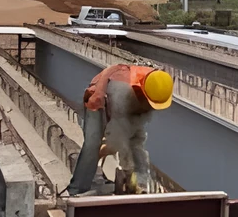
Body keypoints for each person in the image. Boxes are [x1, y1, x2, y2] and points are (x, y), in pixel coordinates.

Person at [69, 61, 175, 194]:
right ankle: (77, 189)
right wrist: (129, 169)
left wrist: (141, 173)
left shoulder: (155, 83)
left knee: (132, 140)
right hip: (97, 99)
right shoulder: (123, 93)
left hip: (123, 101)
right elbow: (119, 138)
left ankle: (134, 180)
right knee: (93, 143)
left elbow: (136, 135)